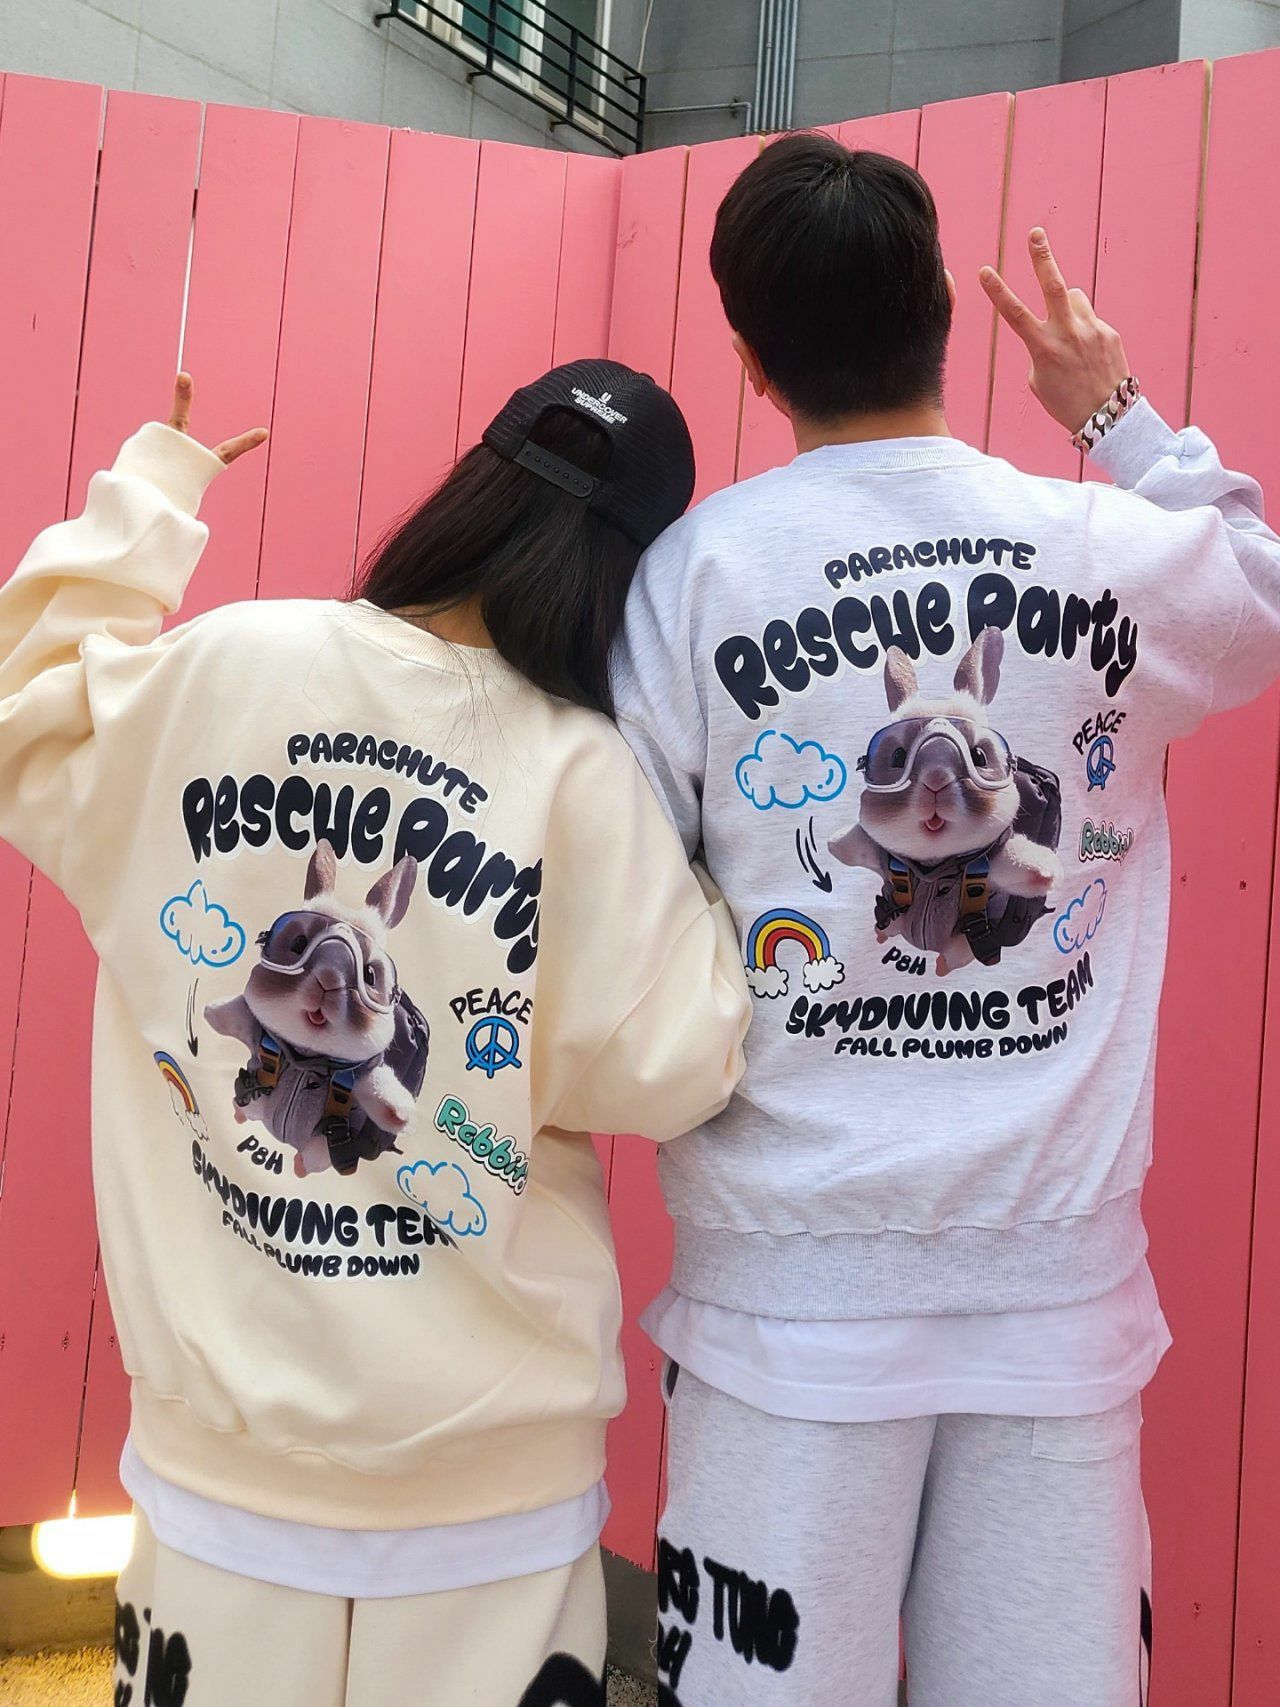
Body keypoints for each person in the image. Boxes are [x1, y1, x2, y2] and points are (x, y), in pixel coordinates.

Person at [613, 133, 1280, 1707]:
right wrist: (1115, 416)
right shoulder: (1105, 547)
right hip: (1056, 1299)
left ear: (750, 358)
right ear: (943, 317)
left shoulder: (696, 575)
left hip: (782, 1297)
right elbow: (1261, 590)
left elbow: (628, 896)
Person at [0, 358, 750, 1707]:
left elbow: (22, 716)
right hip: (492, 1494)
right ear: (630, 580)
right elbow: (679, 1066)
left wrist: (149, 500)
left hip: (220, 1473)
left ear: (474, 489)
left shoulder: (229, 666)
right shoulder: (585, 777)